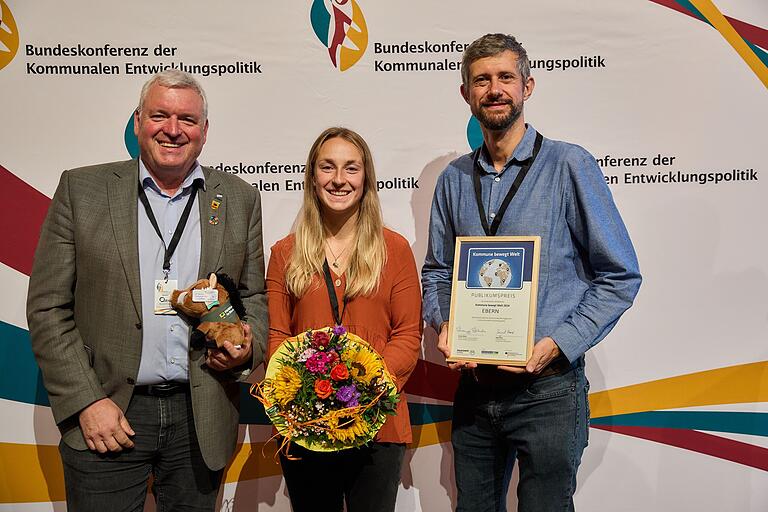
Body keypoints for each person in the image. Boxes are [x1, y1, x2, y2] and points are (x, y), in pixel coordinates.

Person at [26, 70, 267, 511]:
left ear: (205, 131)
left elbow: (252, 297)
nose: (173, 130)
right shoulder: (82, 190)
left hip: (202, 413)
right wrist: (87, 401)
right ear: (137, 122)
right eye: (160, 115)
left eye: (187, 120)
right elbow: (47, 308)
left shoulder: (239, 198)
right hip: (110, 411)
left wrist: (247, 352)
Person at [421, 34, 642, 511]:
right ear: (466, 94)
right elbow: (438, 271)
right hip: (475, 392)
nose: (494, 89)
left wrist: (557, 344)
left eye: (505, 77)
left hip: (549, 391)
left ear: (528, 86)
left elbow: (620, 275)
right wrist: (444, 326)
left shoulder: (569, 165)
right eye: (481, 80)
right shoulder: (455, 179)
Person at [266, 127, 422, 512]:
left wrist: (360, 388)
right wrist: (309, 395)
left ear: (366, 177)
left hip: (377, 425)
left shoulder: (394, 249)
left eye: (351, 168)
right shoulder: (285, 253)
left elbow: (407, 335)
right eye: (328, 167)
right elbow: (275, 337)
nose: (339, 179)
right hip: (306, 426)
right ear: (312, 177)